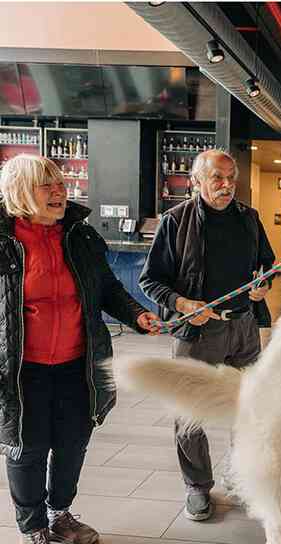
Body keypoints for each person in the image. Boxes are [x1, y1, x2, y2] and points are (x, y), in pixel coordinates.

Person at [0, 155, 161, 544]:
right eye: (47, 185)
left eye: (60, 183)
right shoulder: (5, 242)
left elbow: (107, 289)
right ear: (21, 191)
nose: (60, 191)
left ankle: (60, 514)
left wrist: (138, 314)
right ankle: (33, 526)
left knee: (73, 442)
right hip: (21, 370)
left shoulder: (79, 236)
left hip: (78, 363)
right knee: (28, 446)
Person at [139, 149, 275, 521]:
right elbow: (149, 280)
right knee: (189, 413)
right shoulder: (174, 221)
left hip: (244, 327)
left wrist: (263, 283)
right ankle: (198, 487)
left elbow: (267, 263)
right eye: (217, 178)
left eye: (231, 178)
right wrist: (182, 304)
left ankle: (242, 478)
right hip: (197, 333)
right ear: (196, 182)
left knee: (249, 408)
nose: (227, 185)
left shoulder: (250, 218)